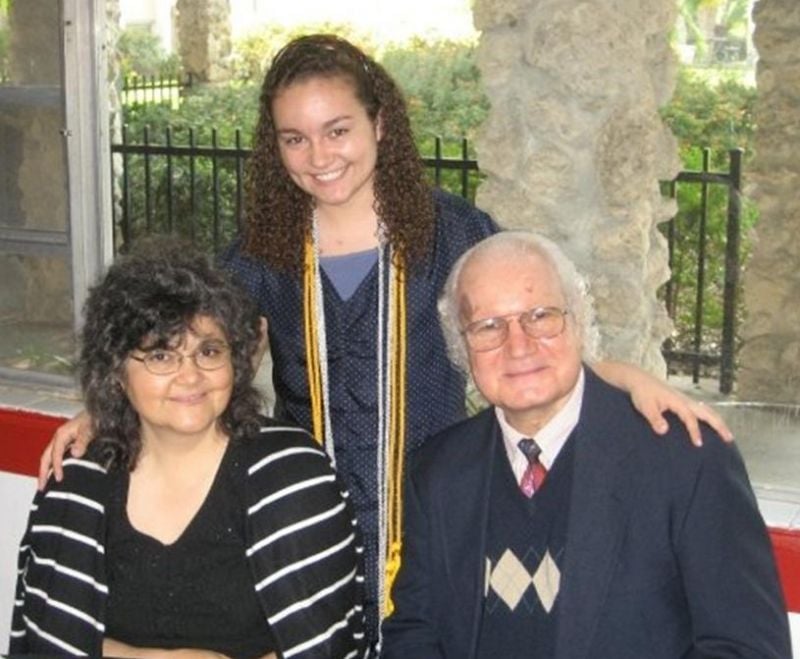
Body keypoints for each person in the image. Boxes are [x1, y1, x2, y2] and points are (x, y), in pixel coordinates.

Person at [38, 34, 732, 649]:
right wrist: (100, 409)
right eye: (294, 138)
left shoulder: (453, 235)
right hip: (298, 530)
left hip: (437, 526)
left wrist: (630, 379)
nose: (319, 156)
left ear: (380, 122)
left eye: (337, 129)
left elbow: (530, 333)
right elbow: (187, 350)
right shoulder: (261, 253)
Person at [381, 231, 791, 658]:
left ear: (578, 321)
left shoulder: (686, 459)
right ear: (461, 346)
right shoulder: (437, 471)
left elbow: (748, 649)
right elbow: (414, 631)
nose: (518, 346)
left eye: (540, 316)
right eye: (489, 326)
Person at [11, 242, 365, 657]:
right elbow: (46, 637)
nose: (190, 376)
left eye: (208, 351)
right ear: (116, 373)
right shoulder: (78, 479)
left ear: (236, 360)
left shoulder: (292, 475)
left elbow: (327, 644)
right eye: (161, 355)